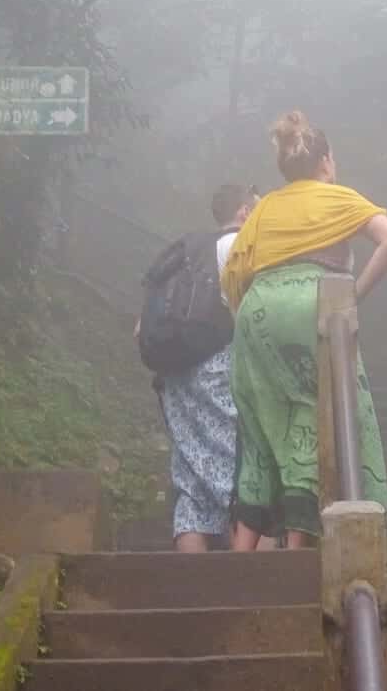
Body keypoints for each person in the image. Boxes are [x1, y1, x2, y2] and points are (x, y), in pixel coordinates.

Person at [221, 111, 387, 550]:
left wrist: (252, 318)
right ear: (327, 160)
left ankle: (239, 557)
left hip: (257, 311)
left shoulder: (265, 208)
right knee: (310, 421)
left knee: (261, 431)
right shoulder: (338, 198)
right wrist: (354, 295)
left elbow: (232, 275)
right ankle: (298, 552)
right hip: (313, 305)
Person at [155, 183, 258, 553]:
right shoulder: (240, 248)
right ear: (245, 212)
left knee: (192, 487)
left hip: (175, 376)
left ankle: (191, 592)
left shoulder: (190, 251)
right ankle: (254, 589)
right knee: (245, 478)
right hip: (218, 369)